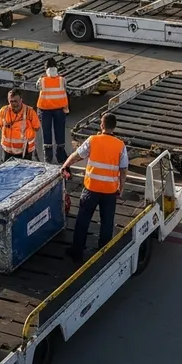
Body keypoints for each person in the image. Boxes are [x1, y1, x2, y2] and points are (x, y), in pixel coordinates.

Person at [62, 112, 128, 263]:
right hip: (110, 191)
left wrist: (65, 166)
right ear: (114, 127)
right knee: (106, 223)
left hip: (91, 189)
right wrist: (121, 187)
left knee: (83, 221)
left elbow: (77, 155)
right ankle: (103, 254)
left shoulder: (93, 140)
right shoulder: (120, 145)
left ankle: (77, 252)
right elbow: (123, 169)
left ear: (102, 125)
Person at [36, 57, 69, 164]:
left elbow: (37, 87)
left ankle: (48, 157)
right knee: (60, 132)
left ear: (45, 69)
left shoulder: (41, 80)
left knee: (46, 133)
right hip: (59, 110)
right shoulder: (62, 79)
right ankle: (61, 155)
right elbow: (65, 87)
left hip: (45, 110)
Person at [0, 89, 40, 162]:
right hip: (7, 150)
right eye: (11, 101)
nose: (13, 104)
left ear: (21, 100)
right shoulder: (3, 111)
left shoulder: (30, 112)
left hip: (24, 150)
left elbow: (36, 127)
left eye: (15, 101)